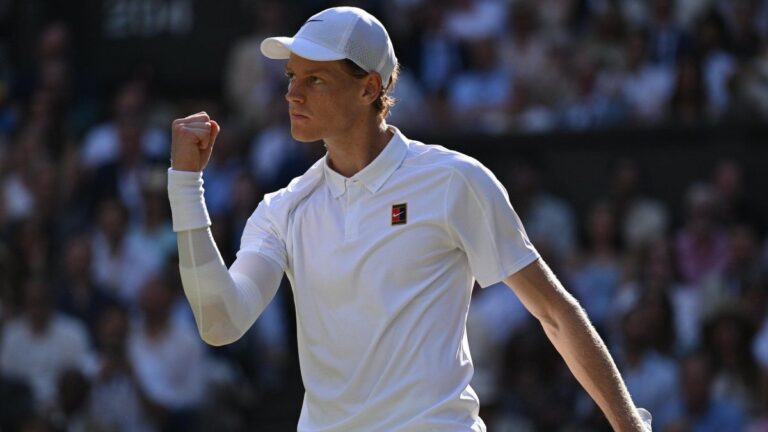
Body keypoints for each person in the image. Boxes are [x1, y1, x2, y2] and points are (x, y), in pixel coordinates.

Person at [167, 6, 652, 431]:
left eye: (315, 79)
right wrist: (186, 186)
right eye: (292, 77)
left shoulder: (454, 181)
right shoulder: (282, 208)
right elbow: (221, 322)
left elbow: (554, 313)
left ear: (368, 89)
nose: (293, 94)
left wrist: (630, 426)